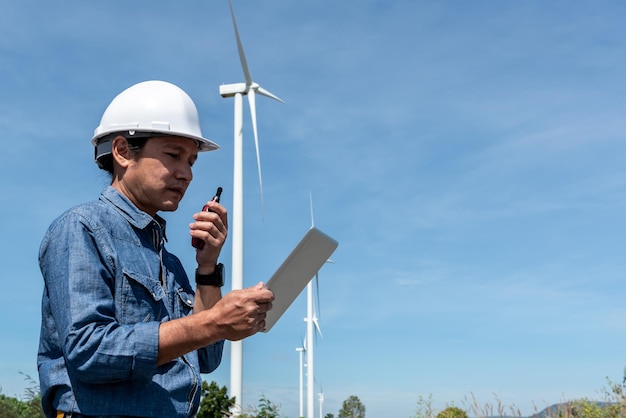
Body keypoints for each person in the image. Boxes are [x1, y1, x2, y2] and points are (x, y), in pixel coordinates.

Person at [37, 80, 275, 418]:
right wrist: (214, 322)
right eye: (173, 155)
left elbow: (205, 358)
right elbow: (89, 352)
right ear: (122, 152)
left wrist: (208, 268)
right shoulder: (82, 228)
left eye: (192, 161)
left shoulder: (171, 262)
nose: (187, 173)